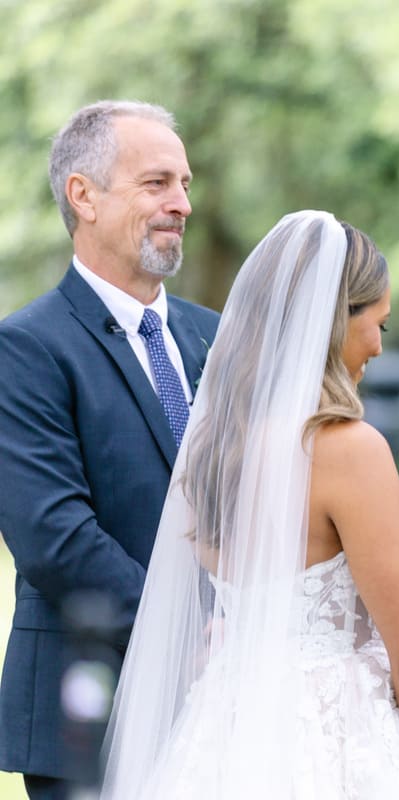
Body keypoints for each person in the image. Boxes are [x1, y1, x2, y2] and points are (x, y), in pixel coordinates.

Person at [98, 210, 399, 798]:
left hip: (223, 725)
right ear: (335, 322)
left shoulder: (214, 447)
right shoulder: (347, 449)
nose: (380, 348)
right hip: (334, 738)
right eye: (378, 324)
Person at [0, 100, 219, 799]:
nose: (181, 203)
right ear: (83, 196)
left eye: (185, 184)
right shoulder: (27, 349)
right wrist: (189, 634)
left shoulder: (222, 338)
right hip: (91, 711)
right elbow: (53, 539)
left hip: (226, 708)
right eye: (157, 183)